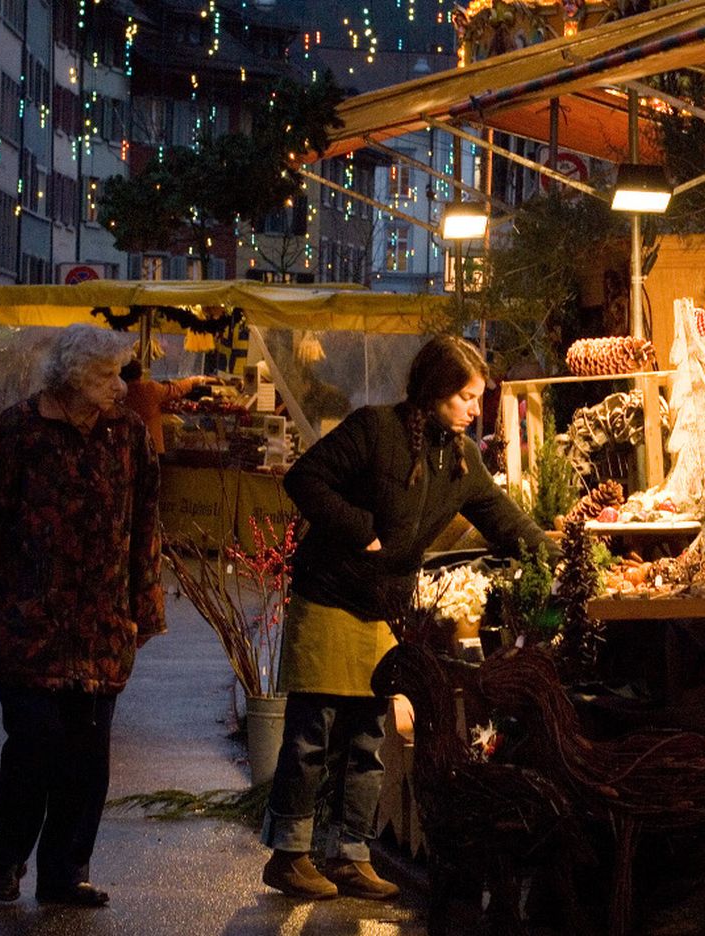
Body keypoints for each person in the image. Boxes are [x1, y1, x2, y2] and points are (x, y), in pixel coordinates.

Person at [261, 334, 559, 901]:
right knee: (313, 733)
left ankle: (351, 853)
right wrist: (362, 530)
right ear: (435, 391)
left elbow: (506, 522)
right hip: (330, 596)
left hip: (383, 609)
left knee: (370, 735)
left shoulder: (462, 459)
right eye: (468, 397)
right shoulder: (375, 429)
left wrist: (560, 557)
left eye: (478, 398)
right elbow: (304, 479)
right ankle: (289, 854)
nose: (477, 409)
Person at [0, 324, 164, 907]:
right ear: (74, 379)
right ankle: (11, 854)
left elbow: (144, 523)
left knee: (88, 761)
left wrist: (146, 604)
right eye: (108, 376)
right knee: (34, 747)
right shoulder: (17, 431)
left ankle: (65, 872)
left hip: (102, 628)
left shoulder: (128, 433)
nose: (120, 387)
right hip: (29, 626)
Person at [119, 358, 211, 454]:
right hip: (151, 447)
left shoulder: (118, 392)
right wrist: (192, 381)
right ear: (140, 374)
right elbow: (175, 389)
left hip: (127, 448)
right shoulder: (148, 388)